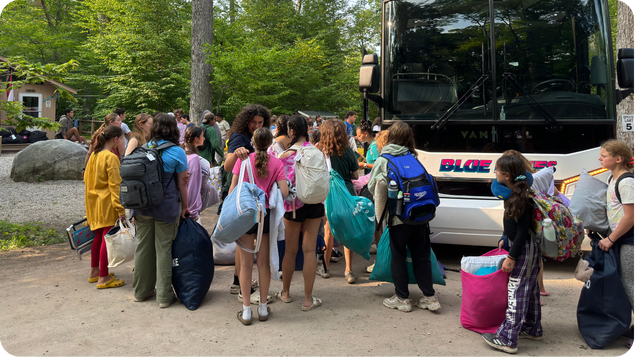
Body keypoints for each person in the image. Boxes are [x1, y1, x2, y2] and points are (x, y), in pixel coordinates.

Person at [367, 121, 441, 312]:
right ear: (409, 138)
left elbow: (372, 187)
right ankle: (429, 297)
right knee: (422, 255)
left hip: (398, 217)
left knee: (398, 256)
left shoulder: (384, 159)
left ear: (391, 136)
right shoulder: (413, 156)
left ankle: (402, 298)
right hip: (421, 215)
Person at [482, 154, 542, 354]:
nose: (494, 173)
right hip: (527, 248)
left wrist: (511, 257)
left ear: (506, 175)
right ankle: (532, 327)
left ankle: (507, 339)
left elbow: (522, 232)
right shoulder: (516, 193)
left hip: (523, 250)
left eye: (496, 170)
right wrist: (504, 236)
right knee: (530, 290)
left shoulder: (521, 198)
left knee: (517, 291)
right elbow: (516, 227)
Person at [131, 113, 190, 308]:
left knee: (143, 248)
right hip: (166, 207)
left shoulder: (145, 149)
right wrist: (186, 207)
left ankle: (141, 291)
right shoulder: (178, 152)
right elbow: (183, 184)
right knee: (163, 249)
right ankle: (164, 296)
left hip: (142, 206)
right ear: (174, 129)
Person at [231, 127, 288, 324]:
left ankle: (246, 311)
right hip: (265, 215)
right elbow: (285, 190)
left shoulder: (243, 161)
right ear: (270, 143)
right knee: (263, 264)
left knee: (246, 264)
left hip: (246, 215)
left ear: (252, 143)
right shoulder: (276, 162)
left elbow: (233, 190)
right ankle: (263, 309)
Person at [275, 115, 325, 310]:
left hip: (294, 206)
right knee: (310, 250)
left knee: (290, 250)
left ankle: (286, 293)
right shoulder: (317, 152)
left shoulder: (286, 156)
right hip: (315, 203)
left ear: (292, 131)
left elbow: (283, 186)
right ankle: (307, 299)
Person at [224, 104, 271, 302]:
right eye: (254, 122)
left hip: (248, 199)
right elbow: (227, 166)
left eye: (260, 123)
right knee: (245, 250)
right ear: (246, 120)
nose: (256, 125)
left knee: (243, 248)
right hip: (241, 199)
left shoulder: (250, 137)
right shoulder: (239, 138)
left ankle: (239, 283)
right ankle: (241, 286)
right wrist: (236, 153)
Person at [598, 139, 635, 348]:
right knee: (625, 283)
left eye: (604, 155)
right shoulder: (612, 178)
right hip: (620, 238)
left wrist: (611, 239)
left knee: (630, 284)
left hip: (630, 240)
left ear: (618, 159)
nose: (600, 158)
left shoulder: (626, 181)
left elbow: (630, 217)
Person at [84, 125, 126, 289]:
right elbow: (115, 186)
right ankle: (103, 277)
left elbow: (86, 180)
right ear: (115, 139)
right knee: (106, 239)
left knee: (98, 236)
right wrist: (120, 209)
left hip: (93, 202)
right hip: (107, 203)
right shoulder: (111, 157)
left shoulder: (94, 155)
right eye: (120, 139)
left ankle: (95, 272)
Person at [319, 119, 360, 283]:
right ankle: (349, 271)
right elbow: (356, 175)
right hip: (348, 194)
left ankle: (326, 268)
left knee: (328, 232)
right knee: (347, 232)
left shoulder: (322, 152)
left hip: (329, 195)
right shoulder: (349, 151)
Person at [182, 126, 205, 222]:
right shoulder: (194, 158)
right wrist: (193, 210)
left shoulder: (182, 152)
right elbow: (193, 186)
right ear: (196, 139)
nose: (204, 138)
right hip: (190, 210)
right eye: (202, 136)